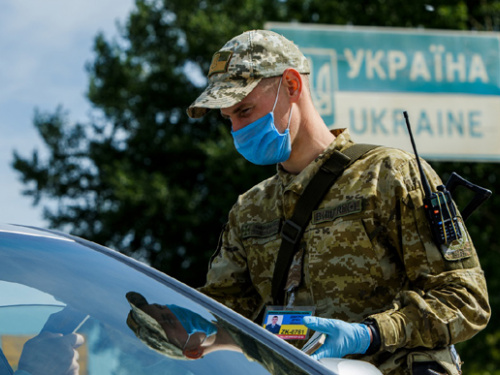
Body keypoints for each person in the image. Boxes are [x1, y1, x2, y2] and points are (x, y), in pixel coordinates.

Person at [187, 29, 490, 374]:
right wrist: (164, 319)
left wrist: (370, 334)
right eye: (229, 120)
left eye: (244, 110)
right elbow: (221, 319)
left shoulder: (387, 176)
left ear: (291, 85)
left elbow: (466, 301)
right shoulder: (251, 209)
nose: (237, 129)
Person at [125, 292, 303, 375]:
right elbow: (310, 326)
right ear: (192, 352)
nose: (172, 312)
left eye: (161, 307)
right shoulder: (269, 352)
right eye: (170, 322)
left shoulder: (229, 303)